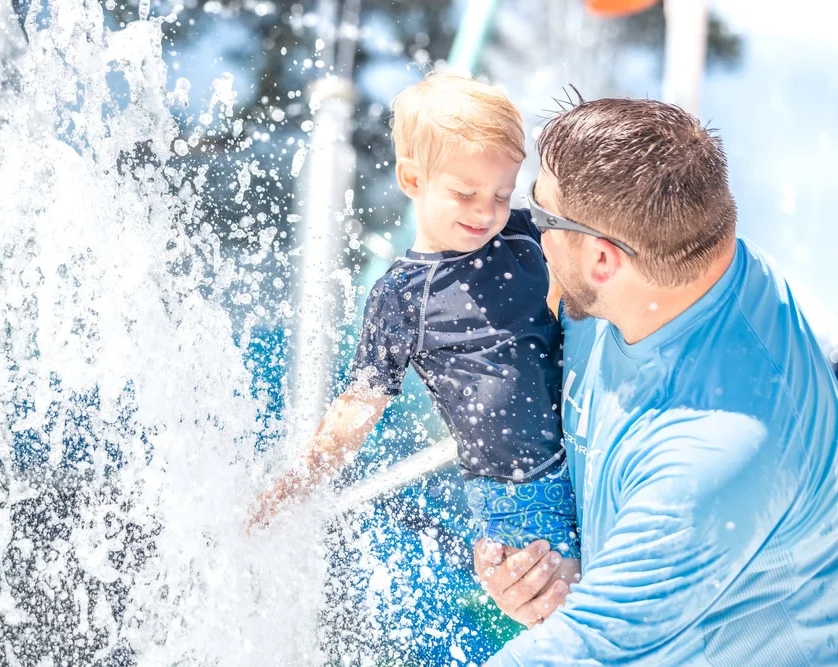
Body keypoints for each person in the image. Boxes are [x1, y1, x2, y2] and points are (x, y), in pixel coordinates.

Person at [475, 97, 838, 665]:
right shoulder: (673, 262)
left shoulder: (712, 455)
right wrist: (554, 550)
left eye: (541, 218)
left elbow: (578, 651)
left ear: (603, 260)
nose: (524, 231)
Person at [247, 72, 580, 585]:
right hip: (516, 492)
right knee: (560, 601)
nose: (486, 210)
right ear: (412, 180)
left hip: (581, 450)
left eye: (502, 193)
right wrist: (299, 480)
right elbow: (360, 404)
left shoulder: (521, 233)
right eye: (464, 192)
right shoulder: (402, 296)